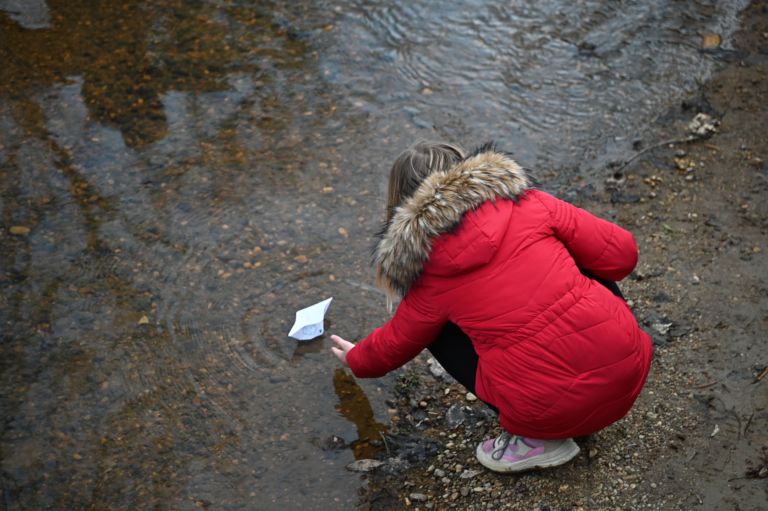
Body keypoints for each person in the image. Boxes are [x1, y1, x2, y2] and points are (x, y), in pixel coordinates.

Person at [331, 141, 653, 473]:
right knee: (576, 253)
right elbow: (622, 256)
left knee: (434, 330)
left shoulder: (428, 276)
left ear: (401, 206)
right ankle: (593, 367)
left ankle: (535, 440)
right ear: (465, 171)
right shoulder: (532, 203)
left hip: (548, 413)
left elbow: (393, 345)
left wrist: (355, 358)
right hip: (630, 369)